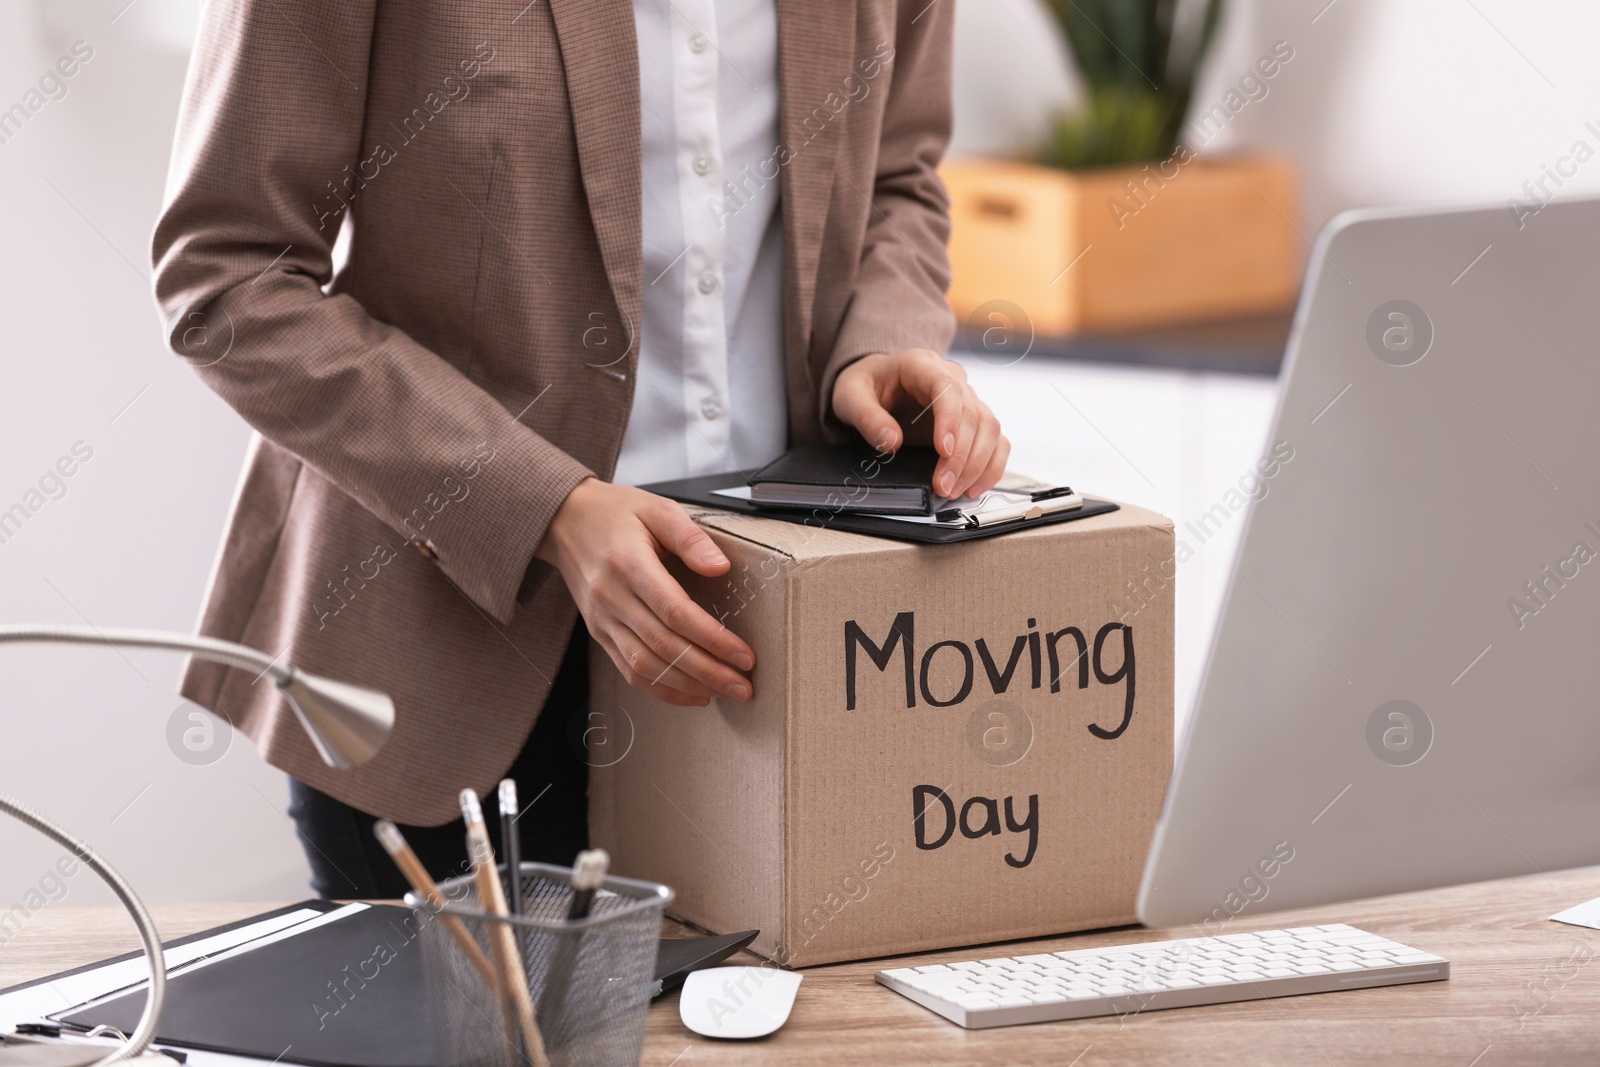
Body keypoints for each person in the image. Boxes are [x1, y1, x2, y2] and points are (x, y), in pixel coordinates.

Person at [151, 0, 1008, 898]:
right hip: (443, 665)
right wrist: (542, 504)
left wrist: (875, 344)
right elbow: (228, 280)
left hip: (781, 641)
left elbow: (899, 177)